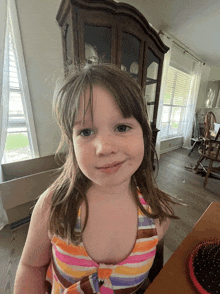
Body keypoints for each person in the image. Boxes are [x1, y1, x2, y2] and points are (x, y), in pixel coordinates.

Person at [14, 63, 180, 294]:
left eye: (122, 127)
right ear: (71, 142)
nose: (104, 148)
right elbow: (31, 266)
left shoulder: (157, 212)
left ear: (144, 132)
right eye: (86, 132)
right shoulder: (53, 206)